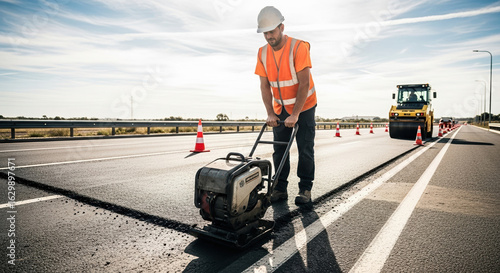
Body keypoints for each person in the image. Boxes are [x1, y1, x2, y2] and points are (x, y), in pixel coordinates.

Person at [254, 6, 317, 205]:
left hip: (304, 106)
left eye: (272, 31)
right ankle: (280, 188)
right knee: (279, 150)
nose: (269, 36)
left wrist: (296, 114)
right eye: (265, 33)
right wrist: (270, 113)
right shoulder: (262, 53)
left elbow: (304, 83)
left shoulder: (298, 47)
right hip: (280, 109)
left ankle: (305, 189)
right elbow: (264, 86)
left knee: (305, 148)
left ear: (282, 27)